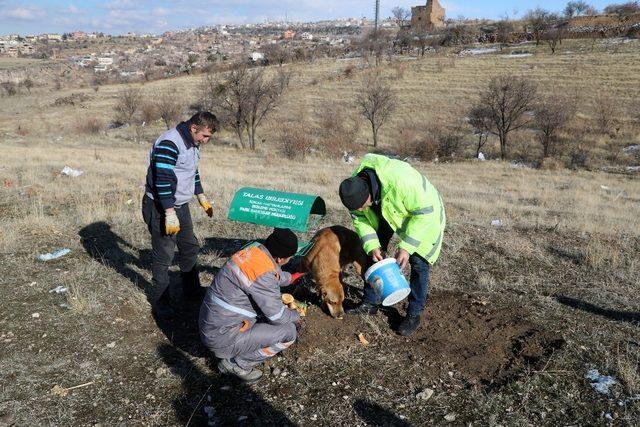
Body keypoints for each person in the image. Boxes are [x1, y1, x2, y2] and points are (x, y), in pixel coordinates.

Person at [338, 153, 446, 336]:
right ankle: (370, 302)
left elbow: (425, 213)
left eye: (364, 206)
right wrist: (372, 245)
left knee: (419, 263)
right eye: (357, 209)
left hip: (425, 214)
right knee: (374, 254)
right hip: (386, 209)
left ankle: (414, 313)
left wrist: (406, 247)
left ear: (369, 193)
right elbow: (361, 221)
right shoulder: (354, 192)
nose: (361, 210)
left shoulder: (402, 181)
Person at [199, 228, 305, 383]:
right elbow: (278, 317)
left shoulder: (252, 253)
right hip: (222, 337)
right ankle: (237, 365)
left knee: (267, 311)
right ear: (280, 259)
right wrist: (298, 314)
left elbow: (271, 274)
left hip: (213, 324)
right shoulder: (263, 274)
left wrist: (293, 277)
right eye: (290, 258)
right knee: (289, 332)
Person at [142, 111, 219, 318]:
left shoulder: (193, 143)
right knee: (164, 255)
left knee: (189, 246)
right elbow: (163, 180)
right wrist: (168, 212)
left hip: (180, 205)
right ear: (194, 128)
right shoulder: (170, 143)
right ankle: (160, 302)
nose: (206, 140)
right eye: (205, 136)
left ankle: (192, 292)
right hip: (161, 206)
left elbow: (191, 171)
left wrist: (200, 195)